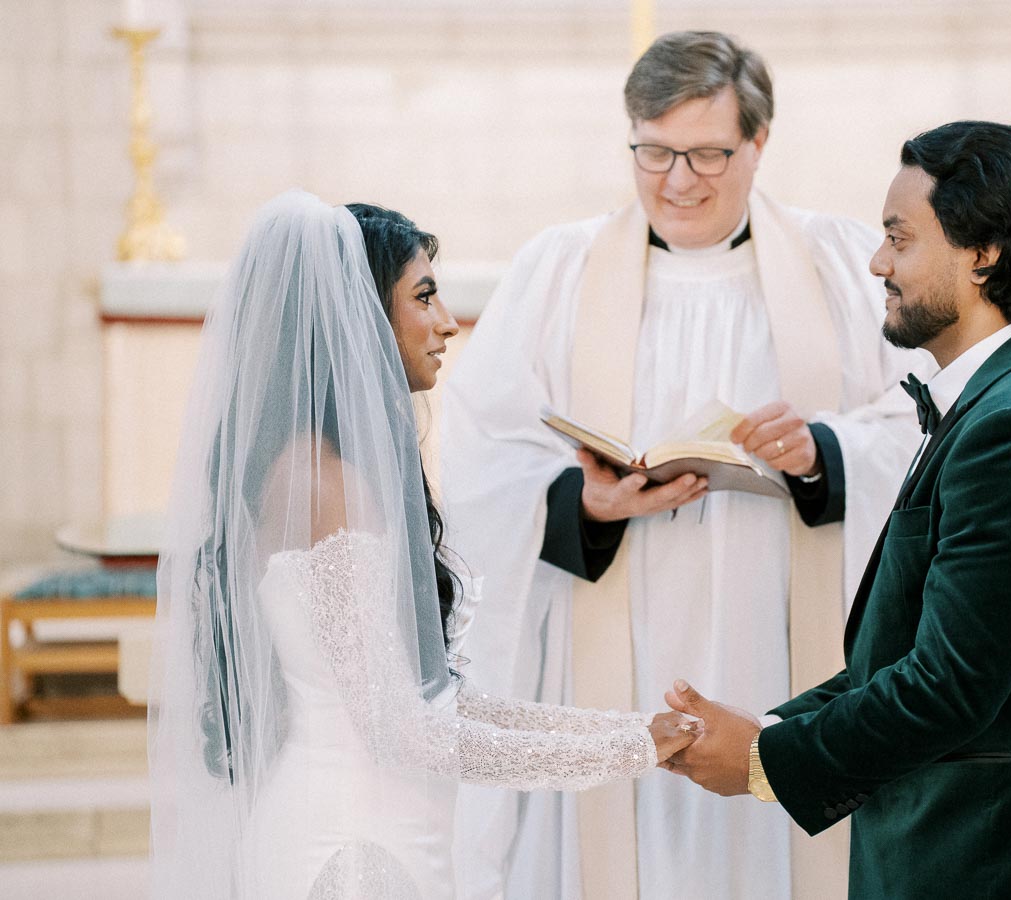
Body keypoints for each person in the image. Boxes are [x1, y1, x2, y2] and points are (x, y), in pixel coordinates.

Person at [441, 31, 932, 900]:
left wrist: (826, 452)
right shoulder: (559, 269)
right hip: (610, 640)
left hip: (781, 633)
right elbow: (482, 450)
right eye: (654, 152)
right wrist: (583, 505)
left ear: (759, 143)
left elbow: (922, 424)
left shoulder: (839, 264)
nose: (677, 180)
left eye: (707, 153)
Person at [147, 192, 696, 900]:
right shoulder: (324, 484)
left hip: (377, 832)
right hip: (349, 850)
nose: (447, 323)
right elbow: (403, 730)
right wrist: (630, 750)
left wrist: (631, 731)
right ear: (360, 315)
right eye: (425, 296)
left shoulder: (320, 470)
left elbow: (437, 701)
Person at [663, 121, 1011, 899]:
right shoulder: (997, 402)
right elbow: (906, 653)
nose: (876, 262)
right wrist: (764, 729)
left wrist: (765, 761)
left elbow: (948, 684)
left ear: (983, 253)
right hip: (961, 845)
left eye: (899, 238)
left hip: (1007, 857)